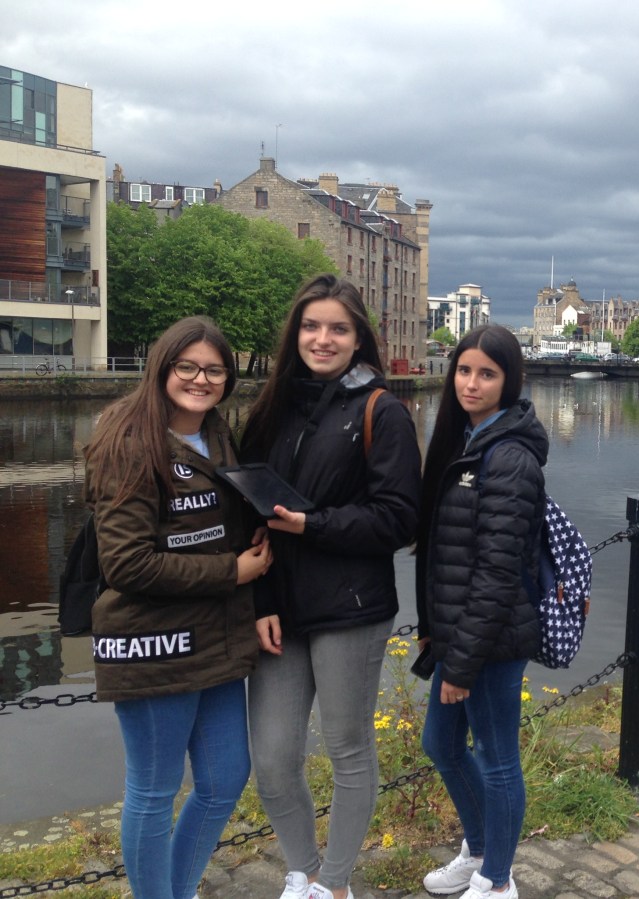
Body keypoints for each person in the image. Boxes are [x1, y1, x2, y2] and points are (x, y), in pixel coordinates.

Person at [240, 274, 421, 899]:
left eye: (338, 329)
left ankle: (335, 885)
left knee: (347, 749)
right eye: (311, 326)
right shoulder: (273, 408)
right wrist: (260, 601)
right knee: (272, 757)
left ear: (358, 338)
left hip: (350, 606)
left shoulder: (382, 411)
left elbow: (398, 518)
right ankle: (305, 870)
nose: (323, 339)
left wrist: (312, 524)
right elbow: (251, 517)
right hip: (280, 609)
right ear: (295, 334)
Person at [84, 316, 272, 899]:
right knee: (154, 790)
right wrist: (232, 571)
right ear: (162, 367)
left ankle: (177, 889)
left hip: (217, 637)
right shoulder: (129, 440)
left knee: (224, 779)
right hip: (153, 642)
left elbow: (215, 521)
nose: (201, 379)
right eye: (187, 367)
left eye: (215, 370)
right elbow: (126, 564)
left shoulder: (216, 433)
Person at [416, 325, 548, 899]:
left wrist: (463, 663)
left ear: (509, 380)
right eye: (464, 370)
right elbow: (446, 552)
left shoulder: (509, 456)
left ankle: (497, 880)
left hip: (492, 640)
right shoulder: (468, 440)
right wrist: (435, 633)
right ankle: (478, 851)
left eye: (487, 374)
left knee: (496, 760)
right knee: (441, 746)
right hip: (460, 634)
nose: (471, 383)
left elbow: (497, 571)